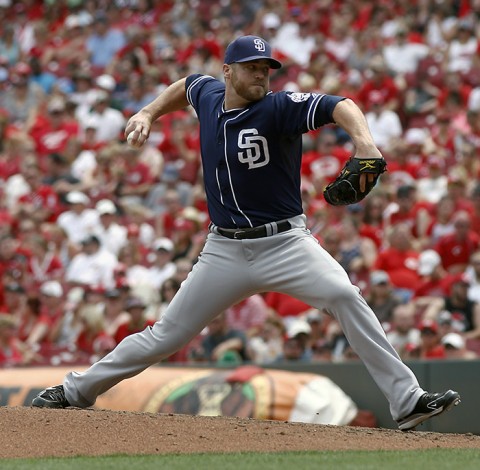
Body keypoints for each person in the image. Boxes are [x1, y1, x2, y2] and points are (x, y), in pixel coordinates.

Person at [32, 35, 460, 431]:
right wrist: (146, 111)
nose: (261, 75)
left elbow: (339, 104)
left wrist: (365, 142)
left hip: (285, 243)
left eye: (266, 68)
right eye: (252, 67)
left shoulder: (277, 108)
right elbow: (185, 85)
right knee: (166, 335)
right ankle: (75, 391)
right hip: (224, 250)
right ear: (229, 71)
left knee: (345, 296)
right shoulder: (209, 94)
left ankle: (406, 401)